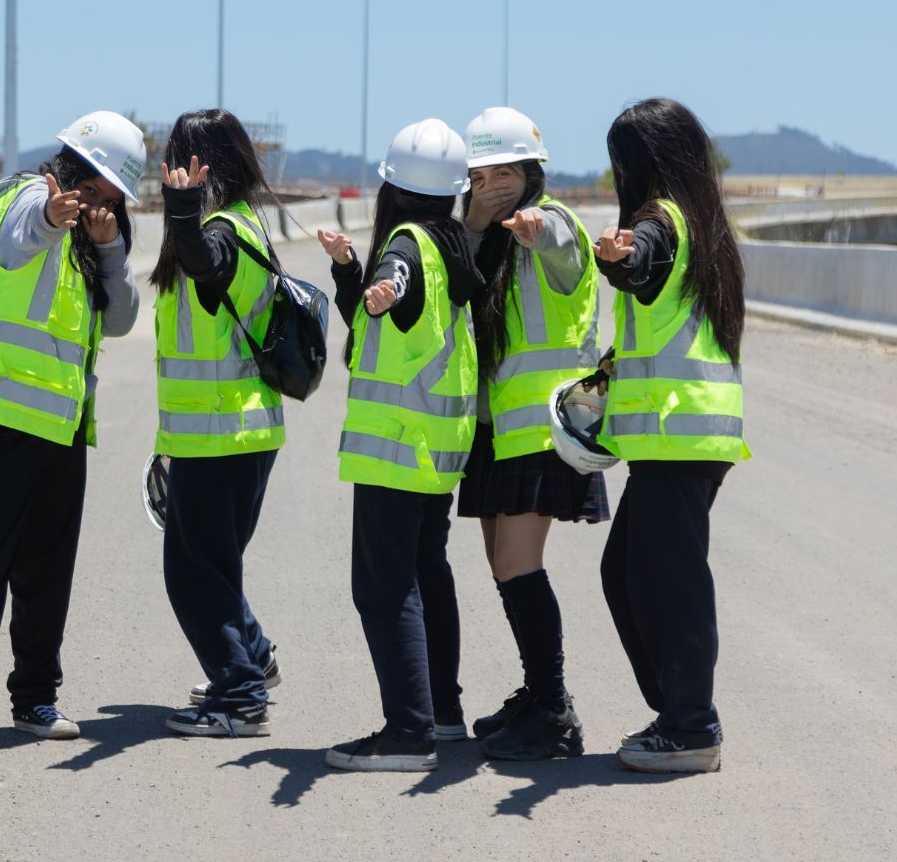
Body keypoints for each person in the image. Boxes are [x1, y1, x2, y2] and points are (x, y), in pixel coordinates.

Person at [0, 110, 146, 761]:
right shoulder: (24, 200)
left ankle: (34, 701)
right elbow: (11, 246)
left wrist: (109, 250)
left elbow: (120, 322)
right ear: (84, 173)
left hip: (57, 429)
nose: (108, 204)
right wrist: (53, 220)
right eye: (107, 190)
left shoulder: (87, 235)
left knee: (46, 574)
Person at [319, 119, 482, 773]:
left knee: (385, 589)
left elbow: (395, 287)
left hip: (396, 448)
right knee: (426, 575)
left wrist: (382, 284)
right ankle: (441, 715)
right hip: (433, 451)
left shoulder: (408, 248)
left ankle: (408, 734)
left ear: (392, 189)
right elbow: (384, 315)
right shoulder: (448, 244)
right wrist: (352, 276)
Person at [592, 97, 750, 774]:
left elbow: (642, 260)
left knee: (670, 582)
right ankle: (678, 712)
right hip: (683, 434)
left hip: (678, 434)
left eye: (621, 159)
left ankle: (692, 725)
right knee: (627, 575)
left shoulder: (662, 220)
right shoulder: (703, 223)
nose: (618, 172)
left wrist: (618, 260)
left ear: (644, 162)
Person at [456, 107, 608, 761]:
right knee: (502, 565)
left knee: (520, 564)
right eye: (483, 173)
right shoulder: (480, 241)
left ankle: (554, 712)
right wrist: (477, 224)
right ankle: (536, 692)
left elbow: (560, 243)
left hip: (544, 428)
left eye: (509, 171)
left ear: (532, 173)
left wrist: (531, 226)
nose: (496, 184)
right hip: (496, 431)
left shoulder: (554, 224)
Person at [151, 109, 285, 739]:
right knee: (214, 565)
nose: (169, 170)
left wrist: (180, 209)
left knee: (193, 573)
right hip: (223, 433)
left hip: (221, 435)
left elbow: (207, 265)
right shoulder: (238, 222)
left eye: (179, 158)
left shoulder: (222, 231)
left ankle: (239, 697)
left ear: (205, 166)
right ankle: (250, 658)